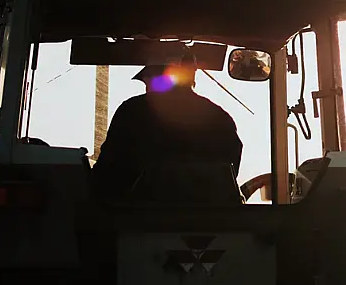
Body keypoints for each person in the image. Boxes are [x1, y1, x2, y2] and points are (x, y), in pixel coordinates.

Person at [90, 58, 243, 200]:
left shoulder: (132, 112)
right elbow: (229, 175)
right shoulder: (220, 118)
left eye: (148, 81)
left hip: (137, 221)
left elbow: (106, 175)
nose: (147, 88)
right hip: (214, 222)